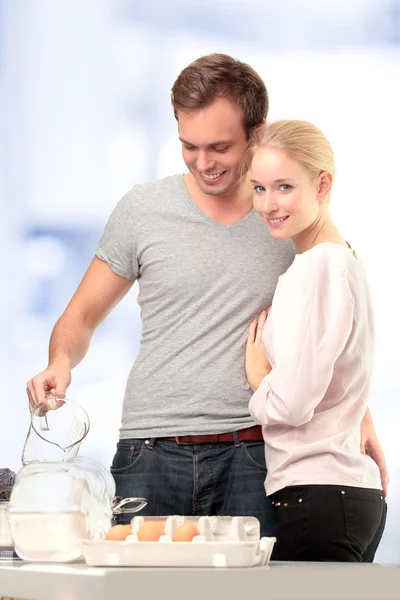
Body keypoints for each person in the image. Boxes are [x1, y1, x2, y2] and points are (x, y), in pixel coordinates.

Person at [26, 54, 387, 537]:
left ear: (256, 132)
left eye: (219, 146)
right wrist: (60, 359)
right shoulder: (142, 210)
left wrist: (358, 417)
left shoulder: (286, 222)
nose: (203, 163)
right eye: (188, 146)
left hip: (256, 453)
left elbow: (329, 333)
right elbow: (82, 315)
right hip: (149, 449)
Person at [245, 119, 387, 560]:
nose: (268, 204)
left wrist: (259, 379)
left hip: (317, 495)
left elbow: (293, 403)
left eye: (284, 187)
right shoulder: (346, 260)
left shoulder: (315, 269)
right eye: (259, 188)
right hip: (345, 493)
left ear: (323, 184)